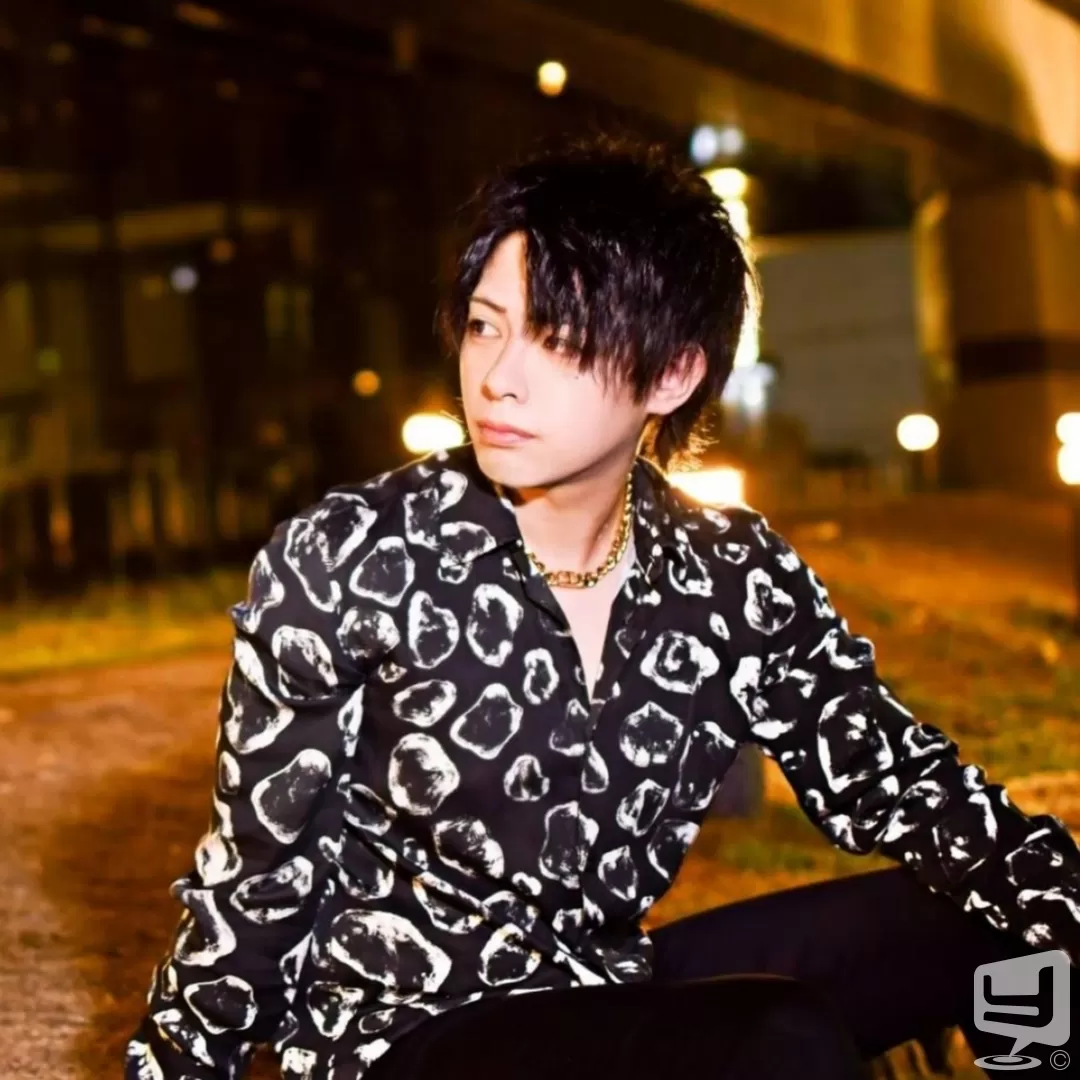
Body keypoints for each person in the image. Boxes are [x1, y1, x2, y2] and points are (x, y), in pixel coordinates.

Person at [127, 135, 1080, 1080]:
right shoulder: (353, 557)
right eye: (486, 325)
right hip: (408, 1038)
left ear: (673, 375)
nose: (498, 376)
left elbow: (901, 785)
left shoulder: (728, 575)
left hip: (607, 988)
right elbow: (253, 884)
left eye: (559, 338)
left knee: (1011, 915)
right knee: (777, 1038)